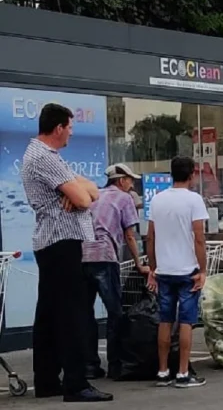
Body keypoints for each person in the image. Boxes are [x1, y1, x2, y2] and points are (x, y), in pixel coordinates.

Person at [20, 103, 112, 402]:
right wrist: (77, 192)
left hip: (51, 242)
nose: (71, 132)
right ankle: (76, 383)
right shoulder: (45, 157)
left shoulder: (45, 156)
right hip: (61, 241)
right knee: (71, 313)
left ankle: (46, 379)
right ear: (58, 128)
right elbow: (85, 200)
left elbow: (92, 190)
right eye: (70, 127)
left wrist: (77, 190)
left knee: (48, 313)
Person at [145, 156, 209, 389]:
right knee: (186, 321)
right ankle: (182, 372)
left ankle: (162, 371)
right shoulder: (194, 200)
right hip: (187, 270)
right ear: (191, 174)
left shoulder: (158, 200)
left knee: (165, 319)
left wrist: (153, 267)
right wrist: (203, 269)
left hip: (164, 270)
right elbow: (199, 238)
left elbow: (150, 237)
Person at [83, 163, 148, 381]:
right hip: (104, 256)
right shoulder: (124, 198)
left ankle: (90, 365)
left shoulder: (95, 195)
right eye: (130, 180)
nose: (132, 184)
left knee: (85, 313)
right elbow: (130, 234)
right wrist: (139, 263)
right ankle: (115, 365)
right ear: (121, 181)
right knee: (115, 312)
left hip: (82, 256)